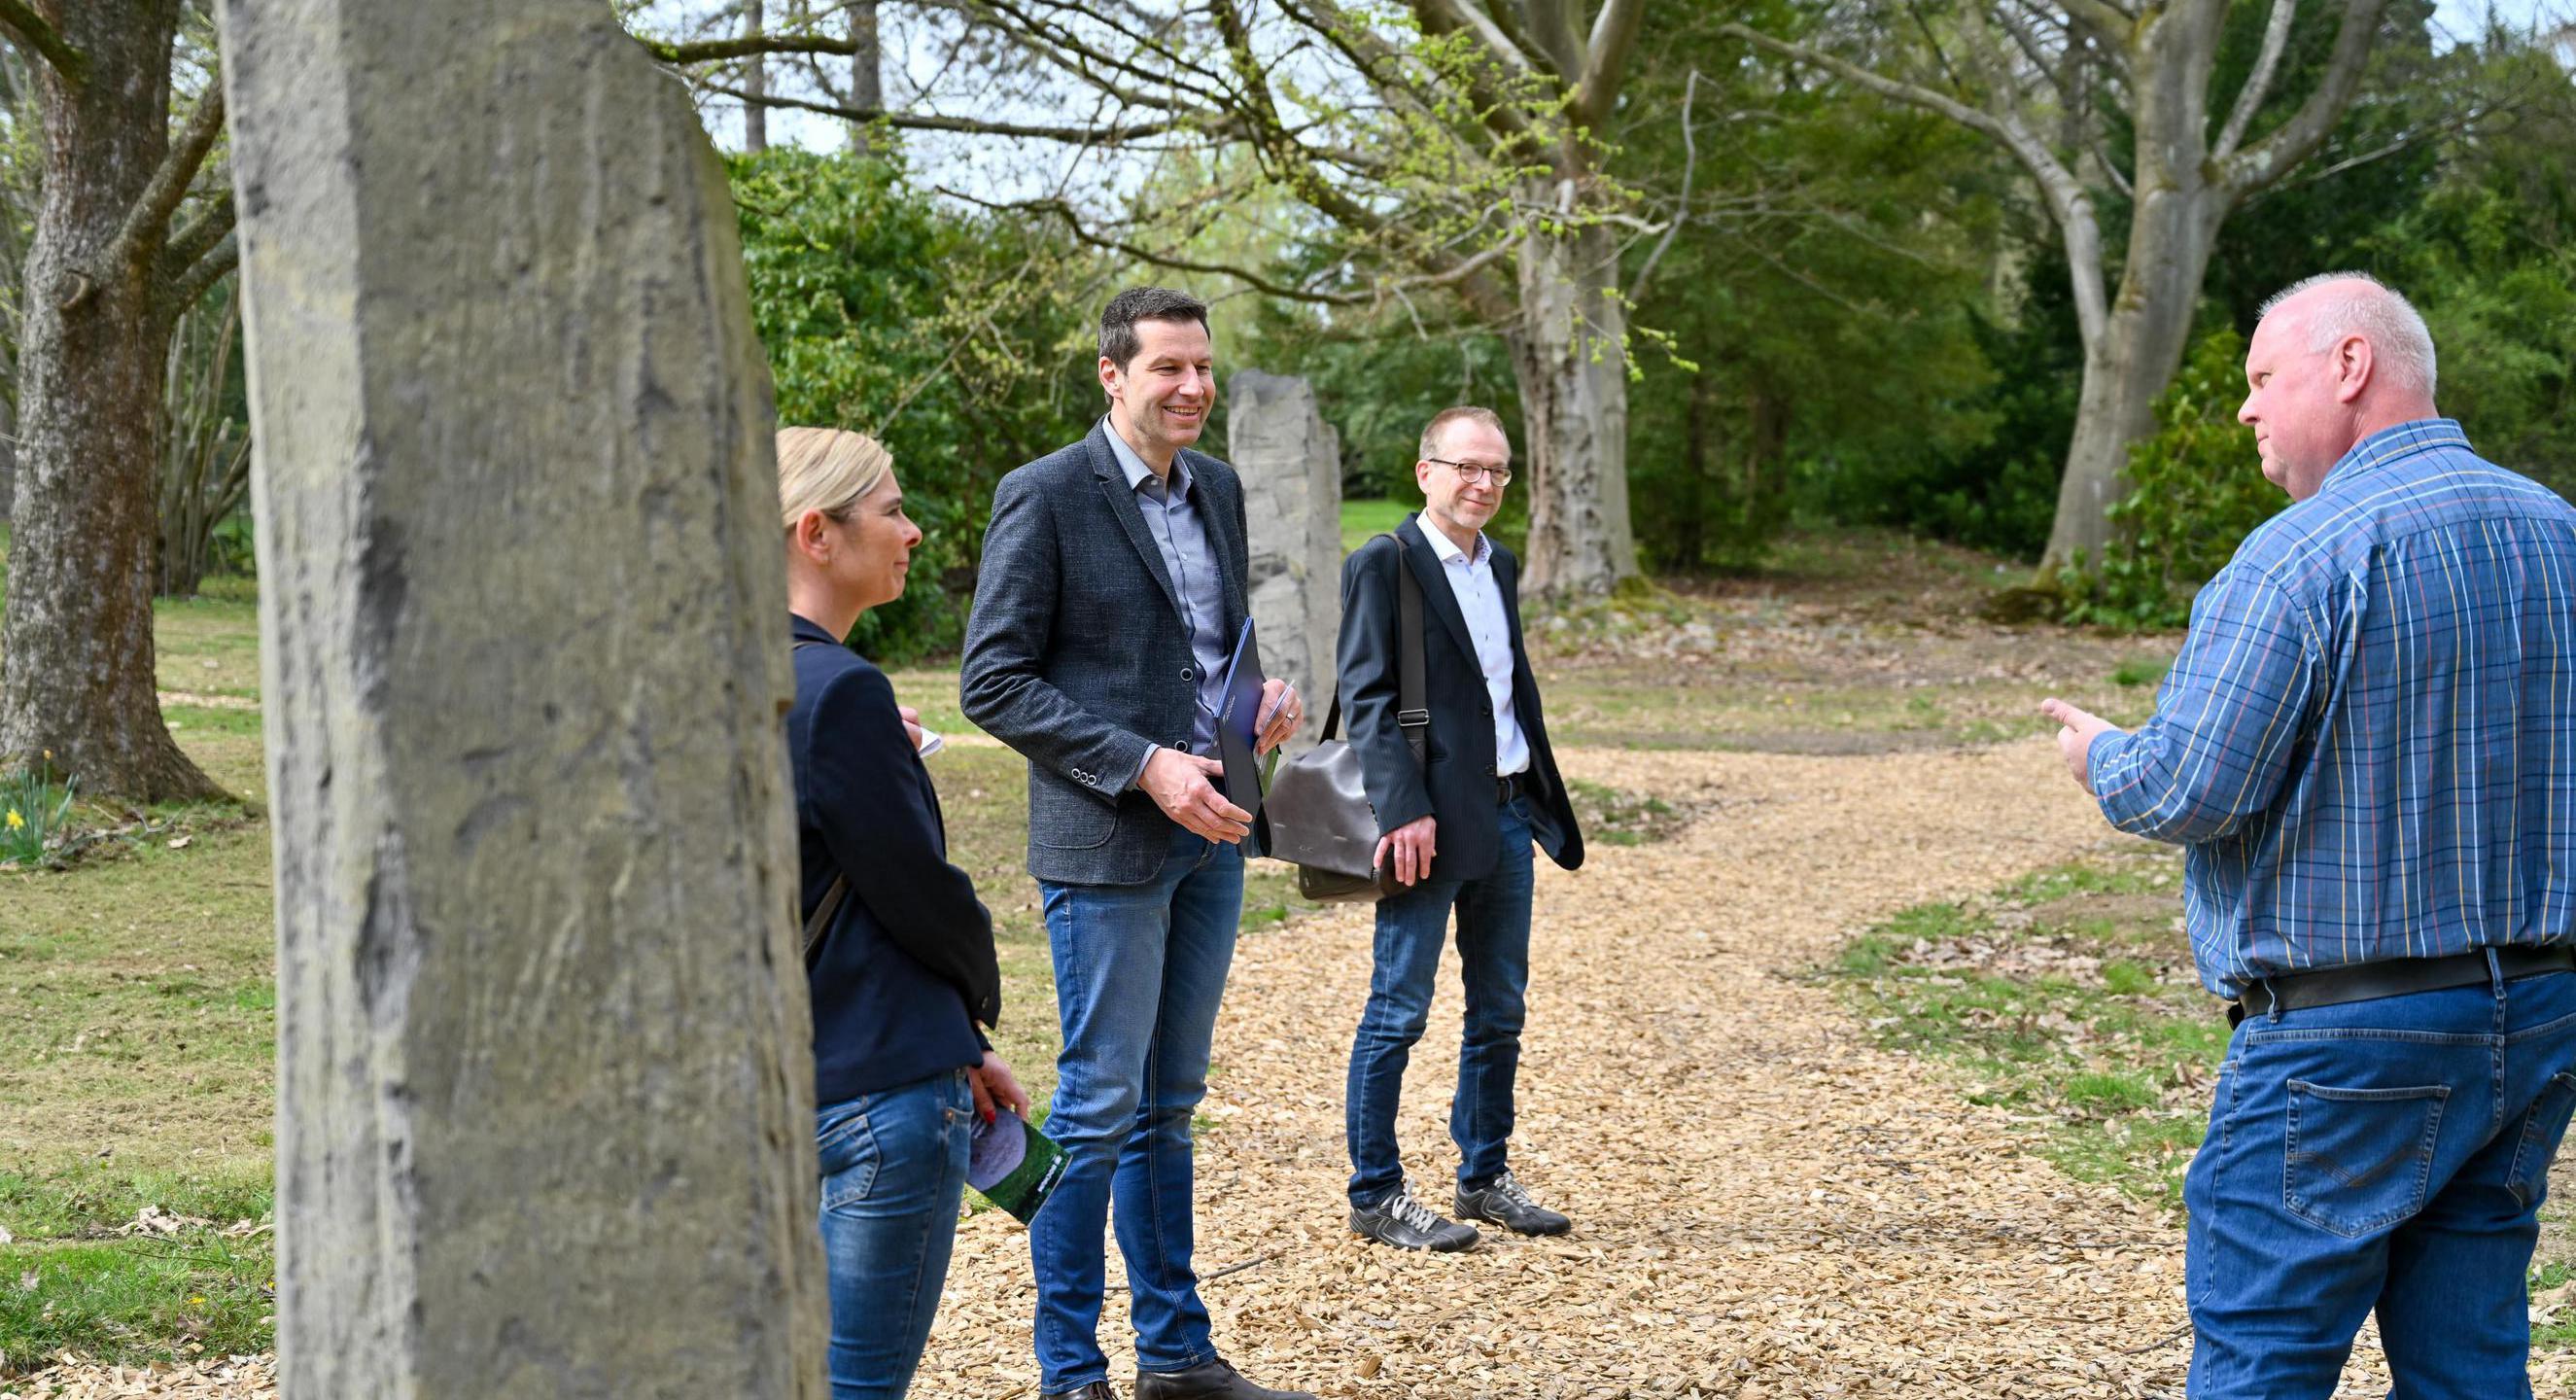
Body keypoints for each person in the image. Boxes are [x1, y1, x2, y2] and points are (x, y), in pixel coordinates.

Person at [2040, 274, 2576, 1399]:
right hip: (2535, 1019)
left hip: (2343, 1044)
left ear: (2348, 367)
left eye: (2259, 379)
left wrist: (2101, 755)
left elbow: (2186, 791)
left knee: (2262, 1363)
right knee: (2472, 1362)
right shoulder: (2558, 533)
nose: (2244, 410)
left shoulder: (2300, 557)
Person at [959, 288, 1309, 1400]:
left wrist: (1254, 707)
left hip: (1212, 833)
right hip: (1105, 842)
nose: (1193, 387)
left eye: (1202, 367)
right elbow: (992, 681)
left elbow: (1207, 649)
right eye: (1168, 368)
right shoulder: (1047, 495)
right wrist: (1142, 762)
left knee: (1169, 1104)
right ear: (1111, 376)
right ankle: (1070, 1370)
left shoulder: (1220, 487)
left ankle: (1176, 1355)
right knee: (1102, 1105)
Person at [779, 426, 1029, 1400]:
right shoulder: (840, 695)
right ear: (817, 533)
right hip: (876, 1098)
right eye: (890, 510)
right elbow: (918, 895)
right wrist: (971, 1003)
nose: (914, 531)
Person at [1336, 405, 1584, 1252]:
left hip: (1508, 814)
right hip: (1427, 826)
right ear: (1425, 472)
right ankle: (1375, 1193)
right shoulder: (1386, 563)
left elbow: (1503, 690)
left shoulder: (1499, 563)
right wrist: (1404, 807)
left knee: (1500, 1011)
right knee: (1397, 1010)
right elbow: (1366, 698)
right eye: (1466, 468)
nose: (1483, 484)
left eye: (1498, 471)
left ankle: (1483, 1177)